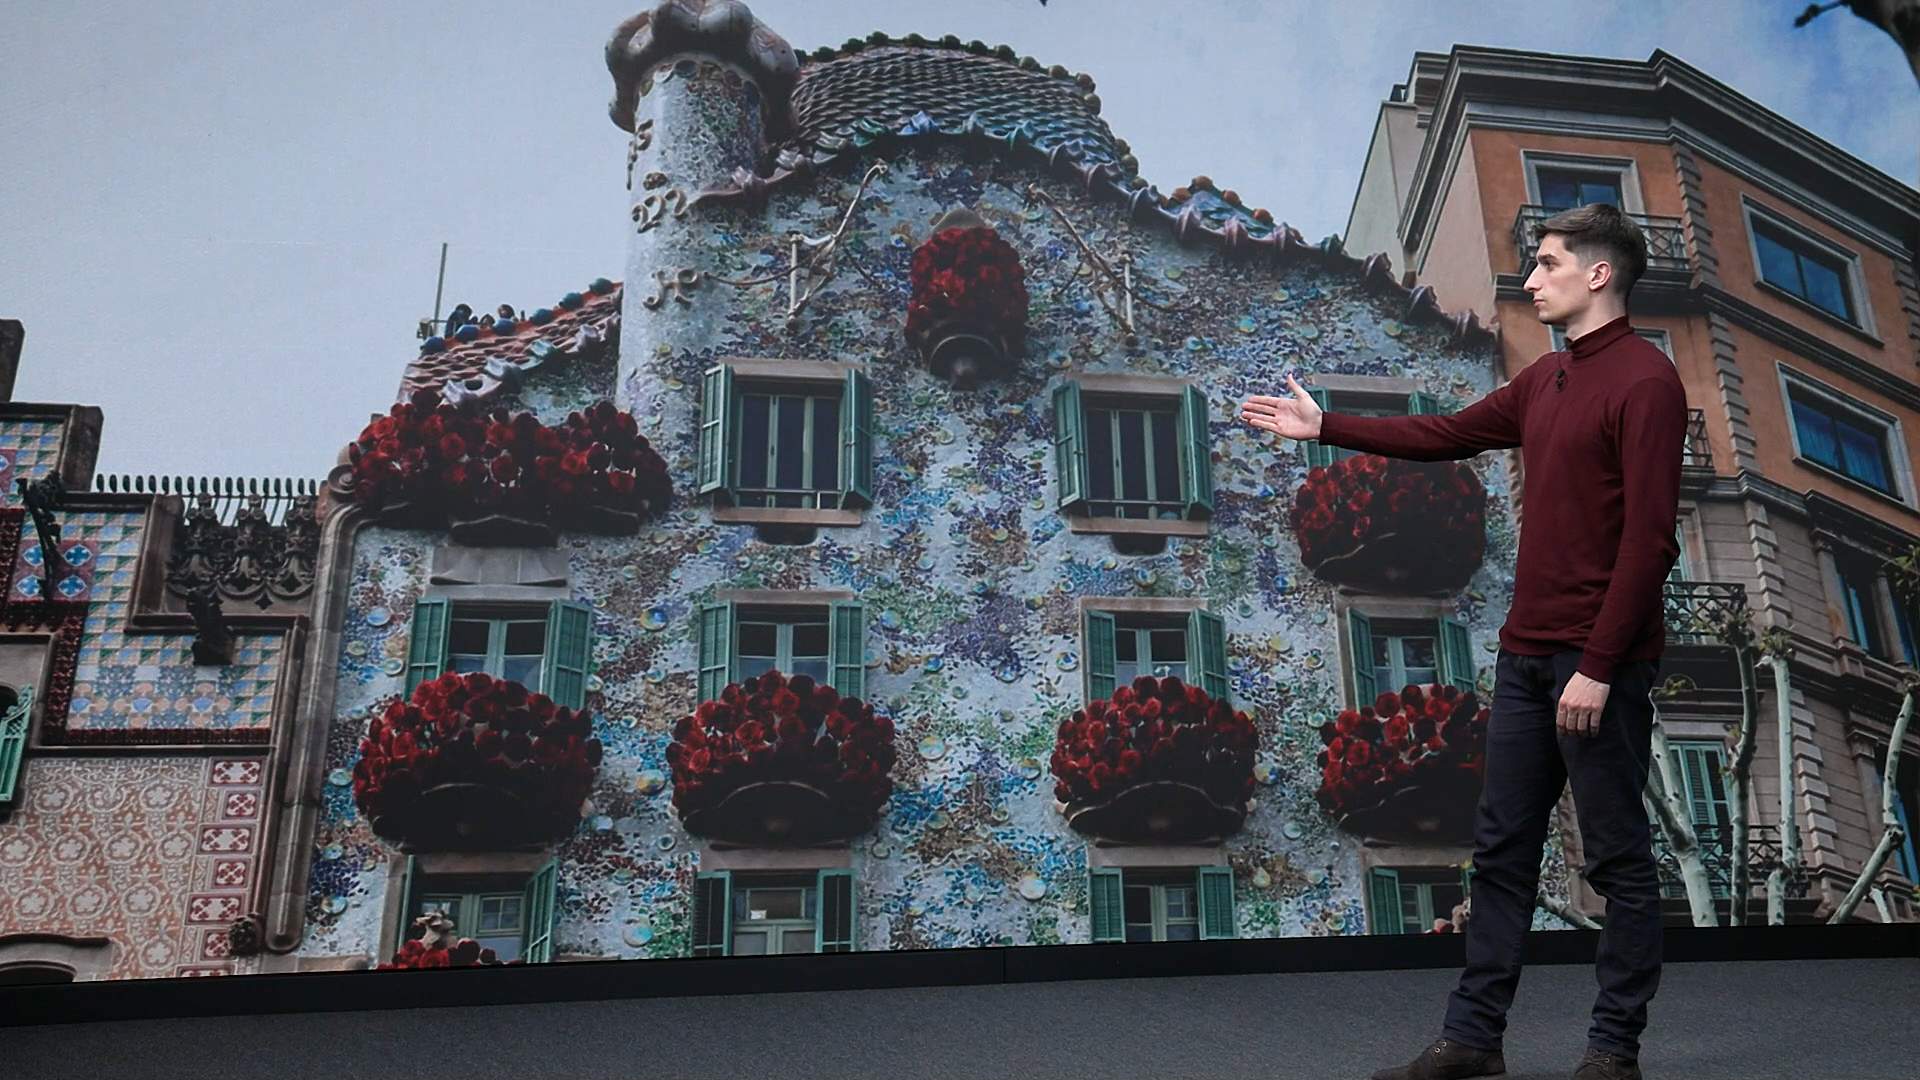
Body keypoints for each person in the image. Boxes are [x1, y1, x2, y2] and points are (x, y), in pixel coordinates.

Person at [1239, 203, 1687, 1080]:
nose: (1533, 279)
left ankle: (1613, 1051)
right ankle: (1474, 1042)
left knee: (1619, 859)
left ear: (1600, 275)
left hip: (1599, 665)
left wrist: (1597, 668)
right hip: (1526, 658)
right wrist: (1326, 427)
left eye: (1549, 263)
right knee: (1503, 853)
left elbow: (1651, 541)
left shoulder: (1646, 382)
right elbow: (1445, 435)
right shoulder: (1546, 381)